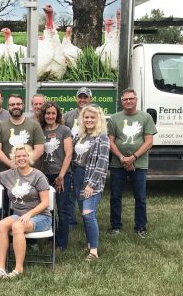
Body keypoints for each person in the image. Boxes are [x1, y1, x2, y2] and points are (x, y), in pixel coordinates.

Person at [0, 145, 51, 279]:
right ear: (14, 158)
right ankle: (1, 268)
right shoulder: (10, 174)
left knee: (17, 226)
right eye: (18, 156)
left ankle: (18, 269)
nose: (21, 158)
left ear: (29, 157)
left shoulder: (38, 175)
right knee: (1, 225)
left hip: (40, 217)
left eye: (24, 155)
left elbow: (45, 203)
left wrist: (29, 214)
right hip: (19, 215)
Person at [108, 89, 156, 238]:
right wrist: (122, 158)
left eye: (131, 99)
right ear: (121, 101)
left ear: (136, 100)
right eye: (125, 99)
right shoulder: (114, 118)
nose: (128, 102)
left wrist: (133, 157)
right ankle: (115, 226)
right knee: (115, 196)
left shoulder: (146, 117)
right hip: (118, 164)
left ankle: (140, 227)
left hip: (139, 163)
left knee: (140, 197)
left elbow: (149, 142)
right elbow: (110, 141)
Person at [74, 105, 110, 260]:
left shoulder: (102, 138)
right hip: (77, 177)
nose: (89, 120)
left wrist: (91, 184)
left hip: (91, 179)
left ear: (98, 119)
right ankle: (90, 242)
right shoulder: (79, 136)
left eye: (92, 117)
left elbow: (102, 164)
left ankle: (93, 251)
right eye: (86, 117)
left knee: (89, 214)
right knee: (83, 213)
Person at [38, 101, 73, 252]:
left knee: (62, 209)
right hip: (45, 176)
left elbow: (69, 153)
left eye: (53, 113)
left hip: (62, 175)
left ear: (57, 115)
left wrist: (61, 175)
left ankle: (61, 243)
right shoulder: (40, 130)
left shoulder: (64, 130)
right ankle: (51, 236)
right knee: (48, 209)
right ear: (43, 115)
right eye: (47, 113)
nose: (50, 116)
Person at [64, 87, 95, 225]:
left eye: (85, 97)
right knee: (70, 193)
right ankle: (71, 221)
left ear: (90, 99)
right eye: (80, 97)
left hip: (87, 163)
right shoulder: (68, 116)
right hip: (72, 161)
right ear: (76, 99)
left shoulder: (95, 115)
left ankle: (87, 219)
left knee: (86, 193)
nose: (82, 100)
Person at [0, 94, 45, 170]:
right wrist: (11, 165)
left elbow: (39, 150)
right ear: (8, 107)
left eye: (18, 104)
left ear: (23, 106)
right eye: (12, 104)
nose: (16, 106)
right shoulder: (0, 125)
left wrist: (24, 165)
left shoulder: (34, 125)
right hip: (6, 173)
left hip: (29, 174)